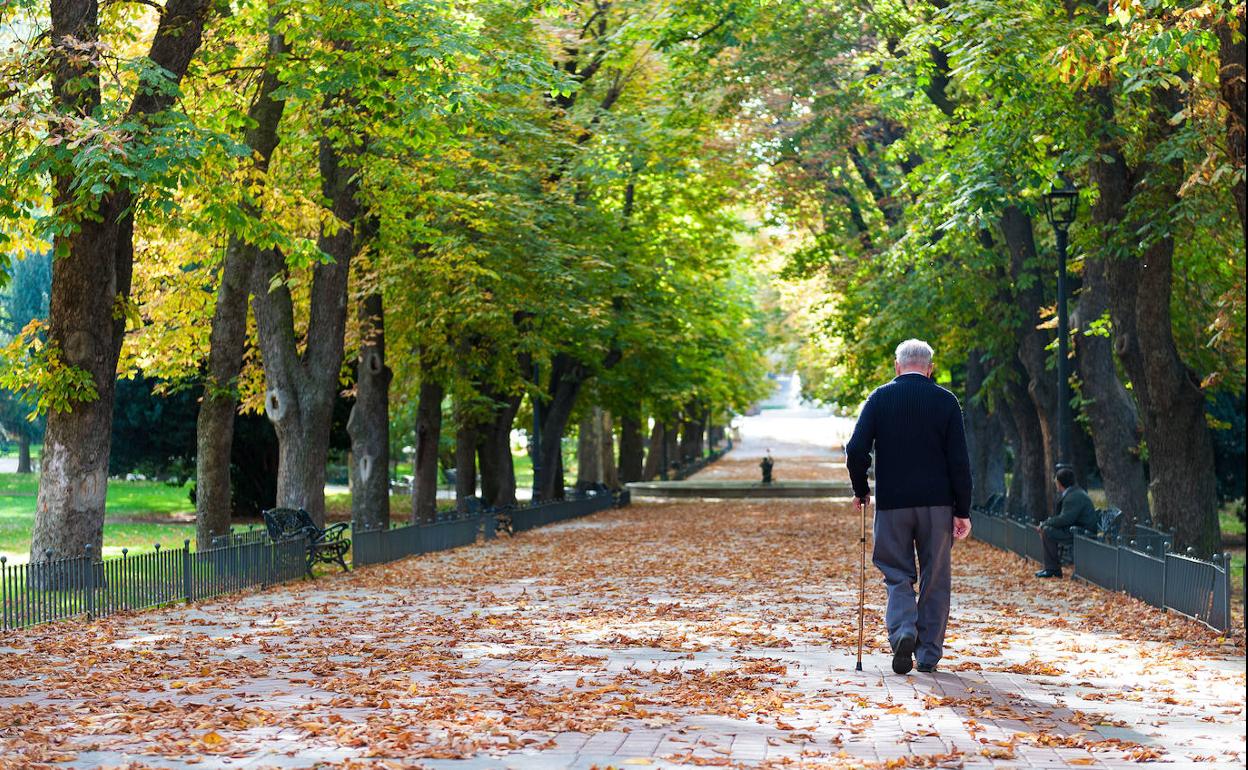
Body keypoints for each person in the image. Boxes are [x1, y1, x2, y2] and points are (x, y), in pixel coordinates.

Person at [845, 339, 973, 675]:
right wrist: (963, 509)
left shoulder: (880, 398)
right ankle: (928, 654)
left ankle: (903, 629)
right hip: (937, 505)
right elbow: (959, 461)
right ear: (930, 368)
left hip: (893, 506)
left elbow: (856, 449)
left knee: (896, 572)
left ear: (897, 365)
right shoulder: (946, 402)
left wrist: (862, 489)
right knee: (936, 576)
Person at [1035, 467, 1097, 578]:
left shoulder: (1073, 497)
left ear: (1059, 483)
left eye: (1055, 480)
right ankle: (1052, 568)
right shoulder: (1075, 493)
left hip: (1081, 532)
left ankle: (1052, 569)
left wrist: (1045, 524)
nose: (1055, 483)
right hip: (1078, 529)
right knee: (1047, 530)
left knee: (1047, 531)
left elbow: (1065, 519)